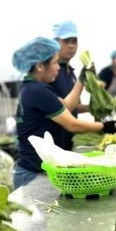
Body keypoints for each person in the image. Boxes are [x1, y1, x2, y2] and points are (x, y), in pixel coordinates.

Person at [12, 37, 116, 189]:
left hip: (30, 170)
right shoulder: (37, 91)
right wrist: (104, 126)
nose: (58, 68)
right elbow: (72, 124)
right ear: (40, 66)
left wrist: (82, 80)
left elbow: (67, 105)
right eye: (55, 63)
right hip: (32, 174)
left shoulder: (32, 88)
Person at [49, 20, 86, 151]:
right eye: (66, 41)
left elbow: (74, 106)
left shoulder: (71, 73)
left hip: (68, 143)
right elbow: (64, 107)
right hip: (54, 145)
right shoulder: (51, 73)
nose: (71, 46)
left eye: (74, 41)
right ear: (55, 42)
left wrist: (93, 108)